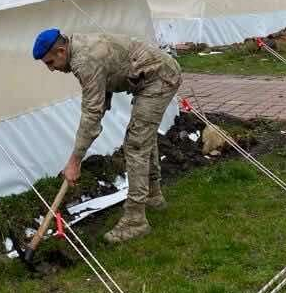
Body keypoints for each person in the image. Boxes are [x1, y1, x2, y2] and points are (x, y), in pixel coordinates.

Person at [32, 28, 181, 243]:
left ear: (61, 51)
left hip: (159, 78)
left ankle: (135, 220)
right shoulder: (79, 46)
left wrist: (74, 161)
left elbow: (91, 114)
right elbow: (103, 87)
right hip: (149, 76)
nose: (51, 69)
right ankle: (153, 195)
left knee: (136, 143)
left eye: (50, 63)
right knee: (142, 138)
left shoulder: (84, 62)